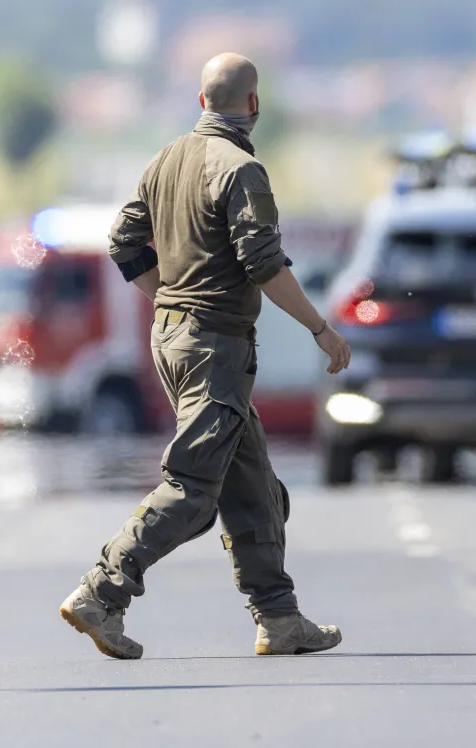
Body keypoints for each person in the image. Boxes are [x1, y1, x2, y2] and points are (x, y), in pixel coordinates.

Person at [59, 52, 352, 659]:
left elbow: (123, 242)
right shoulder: (242, 170)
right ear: (254, 104)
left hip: (172, 339)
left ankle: (279, 617)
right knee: (193, 487)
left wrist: (165, 297)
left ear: (201, 102)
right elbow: (264, 266)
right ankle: (101, 591)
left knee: (252, 488)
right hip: (215, 346)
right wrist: (321, 329)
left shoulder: (167, 159)